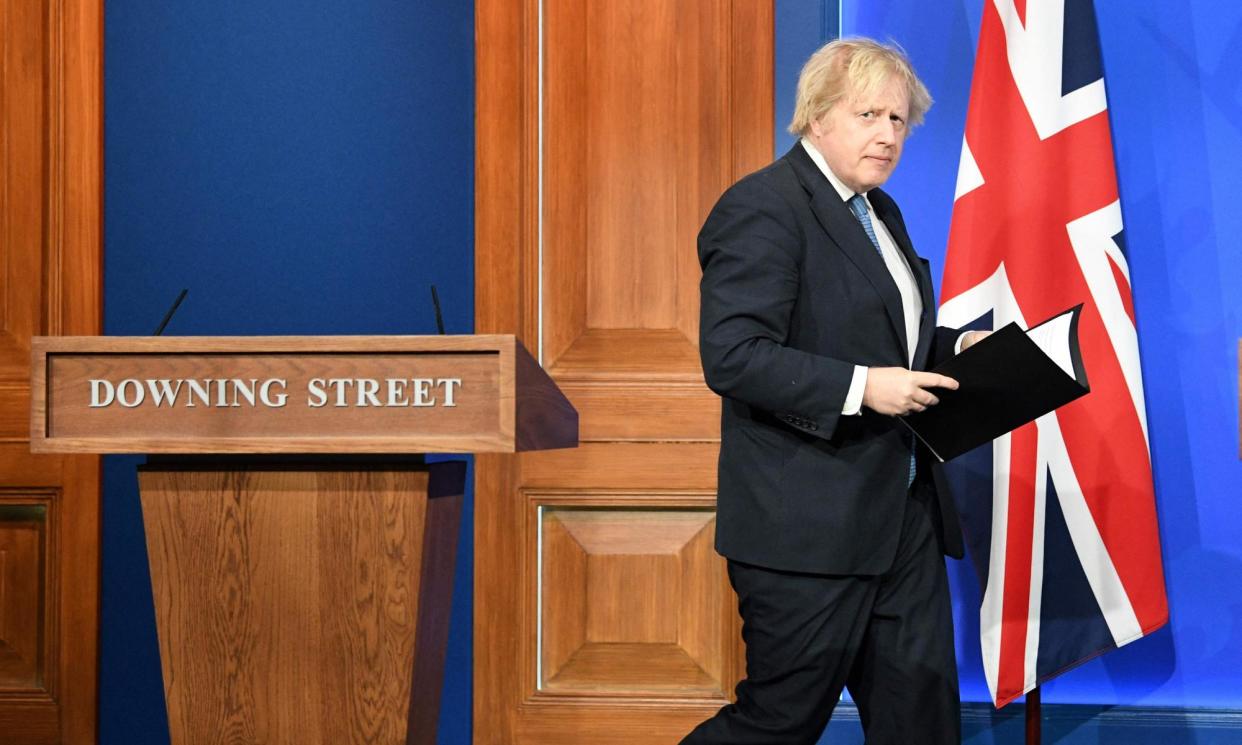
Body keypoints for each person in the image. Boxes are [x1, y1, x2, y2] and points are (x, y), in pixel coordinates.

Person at [682, 38, 987, 745]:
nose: (888, 133)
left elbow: (880, 345)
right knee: (778, 723)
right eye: (869, 114)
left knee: (923, 725)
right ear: (817, 116)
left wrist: (957, 350)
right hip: (807, 528)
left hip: (903, 520)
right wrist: (862, 387)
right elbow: (733, 355)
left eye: (900, 120)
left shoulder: (880, 213)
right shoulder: (764, 206)